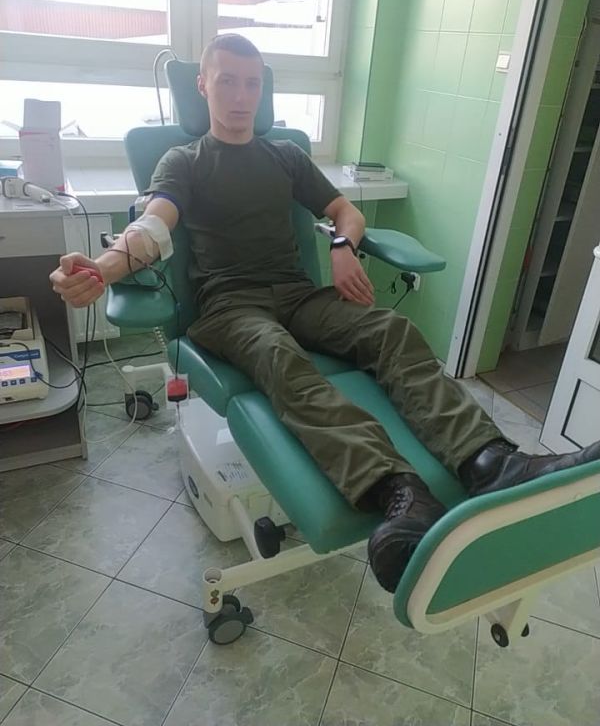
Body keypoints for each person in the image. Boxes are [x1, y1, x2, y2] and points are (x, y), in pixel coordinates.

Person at [50, 34, 600, 593]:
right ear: (203, 86)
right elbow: (152, 227)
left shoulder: (285, 155)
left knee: (391, 329)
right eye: (227, 82)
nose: (240, 96)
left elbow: (344, 211)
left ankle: (490, 462)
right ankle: (398, 492)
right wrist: (101, 270)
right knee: (279, 357)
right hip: (230, 304)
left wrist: (341, 247)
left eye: (251, 83)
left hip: (298, 295)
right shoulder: (184, 161)